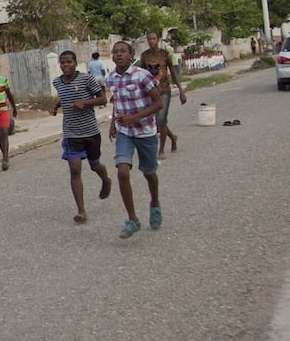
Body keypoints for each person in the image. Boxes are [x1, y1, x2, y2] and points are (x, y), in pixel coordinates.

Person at [106, 41, 164, 239]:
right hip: (125, 132)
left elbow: (158, 103)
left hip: (145, 131)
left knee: (149, 173)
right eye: (115, 52)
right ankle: (132, 219)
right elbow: (117, 101)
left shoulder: (142, 76)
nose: (119, 55)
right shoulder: (111, 78)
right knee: (122, 171)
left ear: (131, 56)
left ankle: (154, 203)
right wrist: (114, 122)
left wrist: (134, 118)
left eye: (123, 51)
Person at [49, 51, 112, 224]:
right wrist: (55, 106)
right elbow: (63, 97)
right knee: (75, 169)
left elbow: (102, 99)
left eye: (69, 62)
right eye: (62, 63)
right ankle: (81, 211)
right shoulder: (57, 82)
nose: (65, 65)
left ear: (76, 63)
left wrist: (85, 102)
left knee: (95, 165)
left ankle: (105, 180)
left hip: (90, 131)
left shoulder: (86, 79)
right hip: (71, 133)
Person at [138, 30, 187, 159]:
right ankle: (173, 137)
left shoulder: (166, 55)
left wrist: (181, 91)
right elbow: (141, 75)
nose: (152, 41)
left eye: (154, 39)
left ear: (158, 39)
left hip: (164, 90)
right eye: (149, 39)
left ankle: (161, 150)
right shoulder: (144, 56)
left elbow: (173, 73)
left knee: (161, 119)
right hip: (150, 92)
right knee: (157, 121)